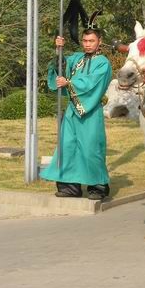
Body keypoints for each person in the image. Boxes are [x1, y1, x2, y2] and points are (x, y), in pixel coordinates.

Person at [41, 16, 113, 200]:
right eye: (85, 40)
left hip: (90, 112)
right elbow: (61, 65)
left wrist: (69, 83)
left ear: (99, 42)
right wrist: (58, 49)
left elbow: (91, 83)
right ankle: (70, 186)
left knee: (90, 149)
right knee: (67, 147)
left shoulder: (103, 62)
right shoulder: (77, 58)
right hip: (72, 112)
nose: (87, 44)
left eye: (91, 41)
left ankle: (97, 186)